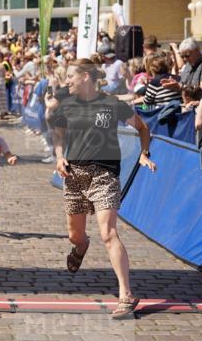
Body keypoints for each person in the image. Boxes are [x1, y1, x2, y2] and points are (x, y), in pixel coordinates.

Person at [47, 58, 157, 319]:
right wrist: (59, 156)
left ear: (85, 76)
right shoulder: (68, 105)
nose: (67, 82)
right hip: (74, 175)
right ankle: (81, 247)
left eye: (71, 77)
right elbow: (58, 135)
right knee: (75, 235)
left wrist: (144, 153)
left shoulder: (112, 104)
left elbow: (143, 127)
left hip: (104, 174)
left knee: (108, 233)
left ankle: (126, 295)